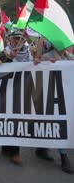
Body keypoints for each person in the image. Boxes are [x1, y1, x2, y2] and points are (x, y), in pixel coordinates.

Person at [31, 40, 73, 174]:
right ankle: (63, 156)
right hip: (51, 96)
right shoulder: (47, 57)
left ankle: (41, 149)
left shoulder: (68, 57)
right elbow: (38, 72)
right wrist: (46, 64)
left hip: (64, 96)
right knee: (58, 123)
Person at [0, 30, 30, 166]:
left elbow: (33, 65)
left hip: (23, 89)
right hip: (7, 90)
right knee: (7, 118)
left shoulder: (27, 52)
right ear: (10, 40)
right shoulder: (5, 51)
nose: (18, 41)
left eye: (20, 39)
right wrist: (6, 58)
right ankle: (8, 147)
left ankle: (14, 151)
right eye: (15, 38)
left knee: (17, 118)